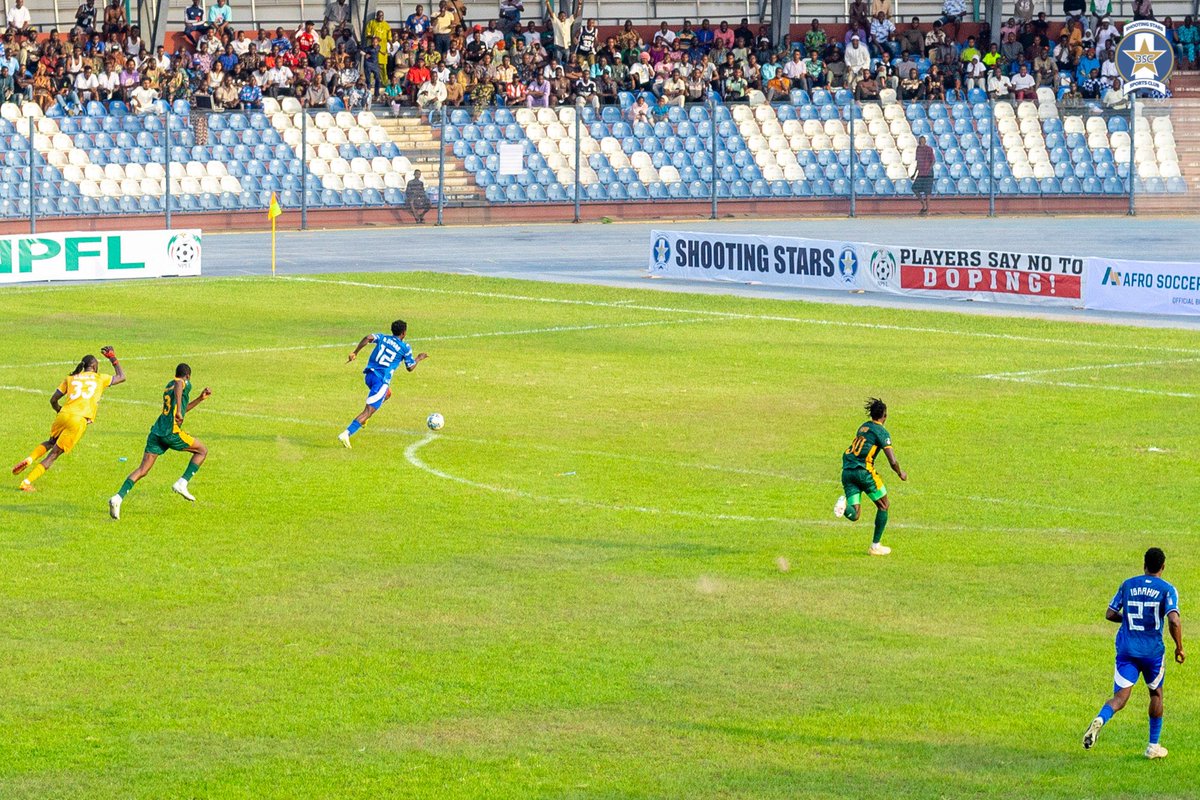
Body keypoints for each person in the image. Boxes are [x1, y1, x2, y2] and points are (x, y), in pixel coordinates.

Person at [1082, 547, 1184, 759]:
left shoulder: (1128, 585)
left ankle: (1101, 718)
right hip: (1152, 652)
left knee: (1120, 698)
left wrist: (1127, 620)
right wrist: (1179, 647)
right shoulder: (1167, 589)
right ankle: (1153, 746)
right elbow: (1174, 619)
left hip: (1127, 649)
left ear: (1143, 564)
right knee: (1156, 693)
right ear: (1163, 567)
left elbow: (1110, 613)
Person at [13, 348, 125, 491]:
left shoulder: (71, 378)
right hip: (78, 420)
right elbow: (121, 376)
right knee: (54, 454)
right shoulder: (100, 378)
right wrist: (112, 358)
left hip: (64, 414)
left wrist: (60, 410)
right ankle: (26, 482)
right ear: (95, 367)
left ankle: (29, 459)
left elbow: (53, 400)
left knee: (51, 441)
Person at [109, 364, 210, 520]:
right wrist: (177, 411)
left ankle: (118, 497)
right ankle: (182, 483)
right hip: (171, 432)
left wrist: (199, 399)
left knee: (143, 469)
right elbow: (179, 386)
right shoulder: (181, 383)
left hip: (157, 431)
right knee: (202, 450)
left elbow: (181, 409)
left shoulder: (168, 386)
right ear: (188, 376)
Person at [833, 397, 907, 556]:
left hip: (847, 472)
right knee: (884, 505)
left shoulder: (863, 427)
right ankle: (875, 546)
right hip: (863, 472)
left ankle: (844, 506)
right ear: (884, 416)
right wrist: (900, 473)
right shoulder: (882, 432)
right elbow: (892, 460)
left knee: (855, 514)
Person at [339, 320, 429, 448]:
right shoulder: (405, 348)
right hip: (380, 381)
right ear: (404, 333)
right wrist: (419, 358)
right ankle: (347, 433)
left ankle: (365, 419)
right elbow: (410, 367)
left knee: (387, 394)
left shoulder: (383, 337)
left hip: (369, 376)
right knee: (368, 410)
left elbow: (368, 337)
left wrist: (355, 352)